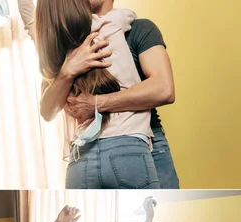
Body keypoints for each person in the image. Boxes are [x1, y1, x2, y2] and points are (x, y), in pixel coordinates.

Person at [30, 0, 159, 189]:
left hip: (80, 160)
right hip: (126, 146)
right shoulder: (109, 24)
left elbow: (46, 112)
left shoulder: (54, 52)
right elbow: (128, 15)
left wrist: (67, 72)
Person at [63, 6, 179, 188]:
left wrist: (95, 103)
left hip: (148, 139)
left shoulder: (140, 29)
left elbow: (164, 89)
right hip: (88, 144)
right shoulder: (72, 40)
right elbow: (51, 105)